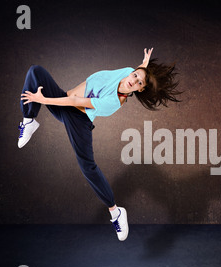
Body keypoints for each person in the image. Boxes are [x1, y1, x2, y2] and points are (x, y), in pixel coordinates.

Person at [19, 48, 181, 241]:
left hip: (79, 119)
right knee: (35, 71)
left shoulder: (113, 102)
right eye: (135, 75)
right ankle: (29, 120)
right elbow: (138, 72)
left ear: (140, 90)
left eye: (139, 83)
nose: (133, 80)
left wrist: (43, 100)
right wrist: (144, 65)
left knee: (88, 167)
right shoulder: (127, 72)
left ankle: (116, 212)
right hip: (64, 104)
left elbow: (74, 101)